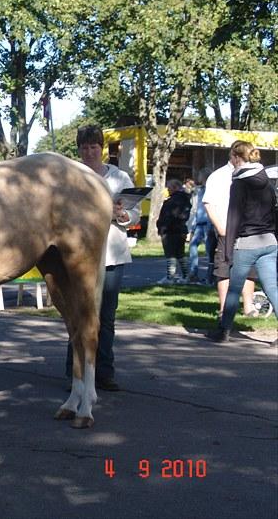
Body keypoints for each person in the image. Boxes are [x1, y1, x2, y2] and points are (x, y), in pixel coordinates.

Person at [65, 125, 140, 392]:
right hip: (79, 255)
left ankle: (103, 371)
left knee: (106, 317)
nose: (89, 152)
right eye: (84, 148)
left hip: (111, 254)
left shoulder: (118, 177)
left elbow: (135, 213)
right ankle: (74, 372)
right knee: (77, 313)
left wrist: (123, 215)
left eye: (93, 147)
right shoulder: (71, 176)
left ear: (101, 148)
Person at [207, 141, 278, 343]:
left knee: (234, 288)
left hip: (247, 242)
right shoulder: (266, 179)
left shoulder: (239, 182)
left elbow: (234, 216)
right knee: (272, 287)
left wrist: (228, 246)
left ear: (237, 158)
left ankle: (223, 331)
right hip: (269, 240)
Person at [203, 150, 258, 318]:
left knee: (249, 269)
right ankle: (224, 309)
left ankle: (248, 306)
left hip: (247, 229)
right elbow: (208, 203)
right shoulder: (218, 176)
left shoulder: (249, 174)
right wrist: (220, 227)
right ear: (234, 156)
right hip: (226, 229)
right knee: (224, 269)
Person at [156, 179, 192, 284]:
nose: (168, 190)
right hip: (181, 230)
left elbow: (168, 216)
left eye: (169, 187)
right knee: (180, 254)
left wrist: (162, 227)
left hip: (170, 230)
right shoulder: (185, 199)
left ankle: (170, 277)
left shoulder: (172, 201)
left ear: (175, 187)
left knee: (170, 254)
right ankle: (186, 275)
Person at [187, 168, 215, 283]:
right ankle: (193, 272)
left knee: (210, 250)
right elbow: (196, 208)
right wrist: (193, 226)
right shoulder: (199, 191)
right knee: (193, 245)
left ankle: (210, 275)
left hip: (209, 223)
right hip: (199, 223)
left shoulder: (211, 189)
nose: (198, 178)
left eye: (200, 175)